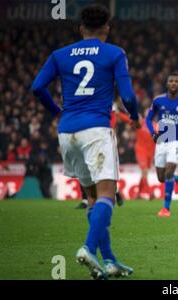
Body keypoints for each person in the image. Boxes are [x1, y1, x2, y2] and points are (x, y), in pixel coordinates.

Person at [31, 4, 140, 279]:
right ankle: (89, 248)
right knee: (107, 195)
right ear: (107, 29)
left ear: (81, 29)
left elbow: (37, 87)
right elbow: (127, 95)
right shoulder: (115, 53)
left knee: (92, 197)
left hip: (67, 132)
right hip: (96, 130)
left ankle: (111, 260)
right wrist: (136, 117)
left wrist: (58, 112)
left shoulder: (60, 54)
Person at [145, 72, 178, 217]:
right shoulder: (158, 101)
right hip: (162, 141)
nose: (174, 83)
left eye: (176, 81)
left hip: (177, 140)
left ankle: (166, 208)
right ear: (167, 83)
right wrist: (152, 132)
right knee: (161, 178)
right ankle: (177, 178)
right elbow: (148, 119)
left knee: (168, 170)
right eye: (171, 81)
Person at [118, 109, 156, 200]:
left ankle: (138, 194)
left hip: (150, 152)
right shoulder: (140, 122)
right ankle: (149, 192)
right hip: (140, 150)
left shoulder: (156, 125)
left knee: (144, 173)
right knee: (144, 171)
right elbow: (127, 119)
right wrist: (118, 113)